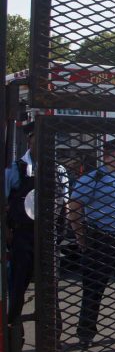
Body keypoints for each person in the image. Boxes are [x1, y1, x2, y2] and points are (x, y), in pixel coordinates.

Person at [68, 137, 115, 347]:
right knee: (93, 289)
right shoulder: (92, 179)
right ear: (106, 156)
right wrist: (81, 237)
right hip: (100, 239)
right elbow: (74, 208)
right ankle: (86, 334)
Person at [5, 121, 69, 336]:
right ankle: (15, 336)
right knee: (18, 286)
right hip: (23, 235)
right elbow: (4, 203)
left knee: (50, 288)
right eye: (36, 139)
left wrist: (59, 234)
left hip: (48, 235)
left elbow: (64, 204)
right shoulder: (15, 168)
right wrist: (7, 232)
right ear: (29, 141)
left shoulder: (58, 170)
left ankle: (53, 339)